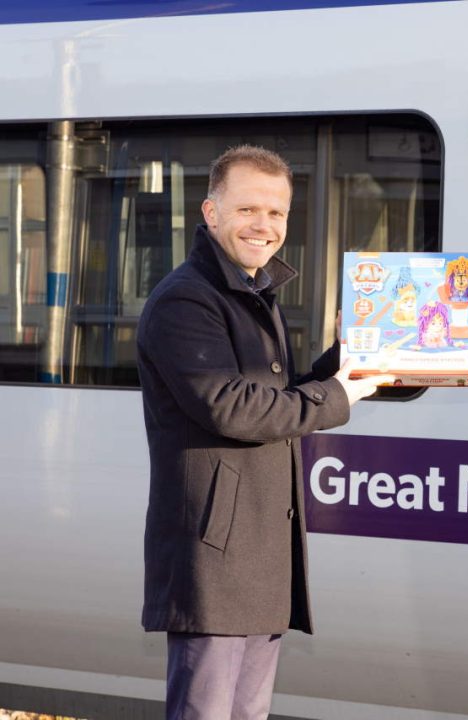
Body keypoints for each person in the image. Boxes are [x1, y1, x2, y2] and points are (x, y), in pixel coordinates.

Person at [136, 145, 391, 720]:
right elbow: (232, 408)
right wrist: (338, 396)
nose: (265, 225)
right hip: (216, 556)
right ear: (211, 212)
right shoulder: (187, 299)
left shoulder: (251, 292)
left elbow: (277, 396)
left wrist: (358, 356)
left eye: (276, 213)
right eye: (248, 209)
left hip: (254, 553)